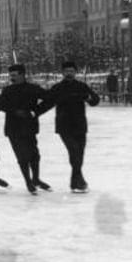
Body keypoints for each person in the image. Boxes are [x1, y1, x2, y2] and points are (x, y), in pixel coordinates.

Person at [41, 60, 100, 193]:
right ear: (62, 73)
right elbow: (47, 103)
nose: (69, 73)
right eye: (66, 71)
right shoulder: (57, 88)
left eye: (71, 71)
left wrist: (88, 98)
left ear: (75, 72)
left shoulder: (82, 86)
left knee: (79, 153)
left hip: (80, 125)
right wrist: (33, 112)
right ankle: (78, 181)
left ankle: (75, 182)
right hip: (64, 126)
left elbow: (95, 100)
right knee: (74, 151)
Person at [0, 63, 52, 195]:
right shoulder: (7, 90)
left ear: (23, 75)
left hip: (29, 127)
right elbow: (0, 105)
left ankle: (36, 179)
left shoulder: (34, 88)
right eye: (10, 75)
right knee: (22, 157)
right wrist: (14, 111)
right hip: (13, 128)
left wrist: (35, 112)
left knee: (35, 155)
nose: (12, 78)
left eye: (14, 75)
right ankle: (28, 182)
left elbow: (50, 100)